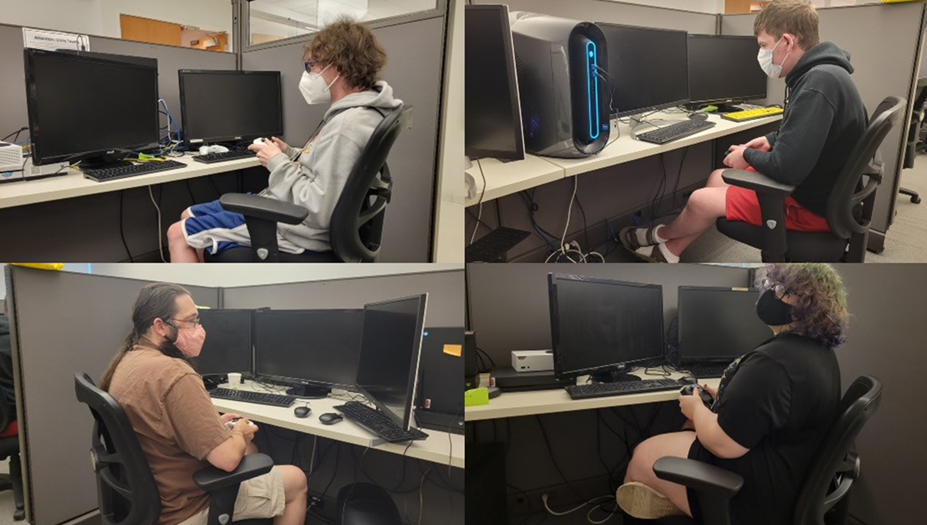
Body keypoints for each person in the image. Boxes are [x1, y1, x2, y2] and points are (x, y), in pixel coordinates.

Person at [620, 0, 868, 263]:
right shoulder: (827, 74)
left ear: (787, 41)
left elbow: (788, 168)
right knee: (718, 176)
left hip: (811, 208)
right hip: (820, 190)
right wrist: (770, 140)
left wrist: (746, 156)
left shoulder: (817, 84)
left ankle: (659, 235)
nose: (761, 53)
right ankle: (670, 251)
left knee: (700, 201)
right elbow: (815, 133)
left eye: (763, 45)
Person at [616, 263, 847, 525]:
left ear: (807, 303)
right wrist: (726, 398)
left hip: (756, 498)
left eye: (781, 289)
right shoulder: (818, 353)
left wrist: (695, 407)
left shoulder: (773, 362)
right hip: (790, 476)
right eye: (770, 285)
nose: (770, 293)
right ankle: (682, 503)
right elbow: (777, 409)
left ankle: (682, 504)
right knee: (687, 429)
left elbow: (722, 444)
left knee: (643, 454)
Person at [167, 19, 402, 262]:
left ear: (338, 67)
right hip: (295, 214)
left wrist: (277, 162)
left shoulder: (347, 126)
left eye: (312, 65)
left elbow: (317, 209)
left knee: (177, 233)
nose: (309, 73)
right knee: (188, 215)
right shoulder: (361, 113)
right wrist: (289, 153)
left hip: (296, 228)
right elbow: (327, 167)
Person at [100, 283, 308, 525]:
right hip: (185, 506)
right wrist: (240, 431)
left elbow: (157, 425)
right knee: (296, 479)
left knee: (250, 452)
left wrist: (212, 425)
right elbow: (227, 460)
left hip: (151, 498)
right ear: (160, 326)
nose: (199, 329)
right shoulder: (175, 373)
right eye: (192, 321)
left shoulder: (128, 361)